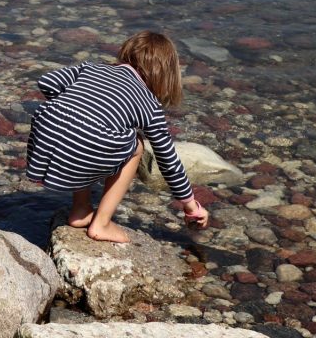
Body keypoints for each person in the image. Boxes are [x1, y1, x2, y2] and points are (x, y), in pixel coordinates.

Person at [26, 30, 209, 242]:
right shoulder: (150, 104)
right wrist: (190, 206)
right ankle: (101, 224)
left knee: (84, 128)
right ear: (166, 74)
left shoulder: (91, 68)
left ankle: (80, 209)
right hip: (80, 144)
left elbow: (47, 82)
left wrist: (74, 106)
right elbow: (167, 160)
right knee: (136, 146)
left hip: (44, 135)